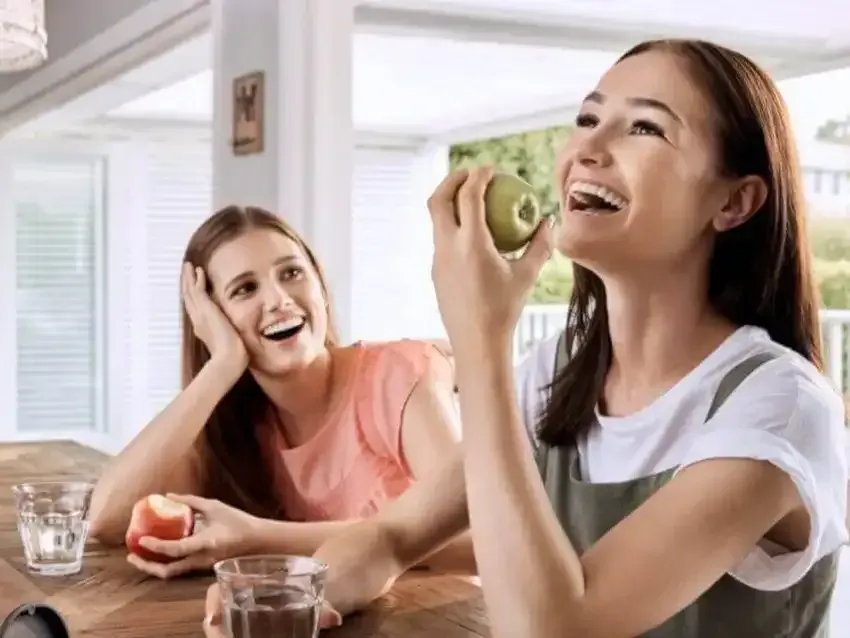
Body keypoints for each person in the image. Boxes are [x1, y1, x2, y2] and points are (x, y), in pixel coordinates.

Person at [203, 38, 849, 637]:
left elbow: (556, 628)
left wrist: (481, 338)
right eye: (589, 120)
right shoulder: (556, 374)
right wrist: (291, 593)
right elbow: (390, 537)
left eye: (645, 127)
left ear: (734, 202)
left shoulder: (779, 408)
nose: (586, 151)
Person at [87, 205, 466, 579]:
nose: (279, 299)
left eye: (292, 273)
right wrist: (220, 366)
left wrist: (261, 538)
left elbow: (475, 534)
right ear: (212, 320)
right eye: (245, 289)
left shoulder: (400, 376)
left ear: (320, 286)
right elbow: (106, 520)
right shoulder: (235, 425)